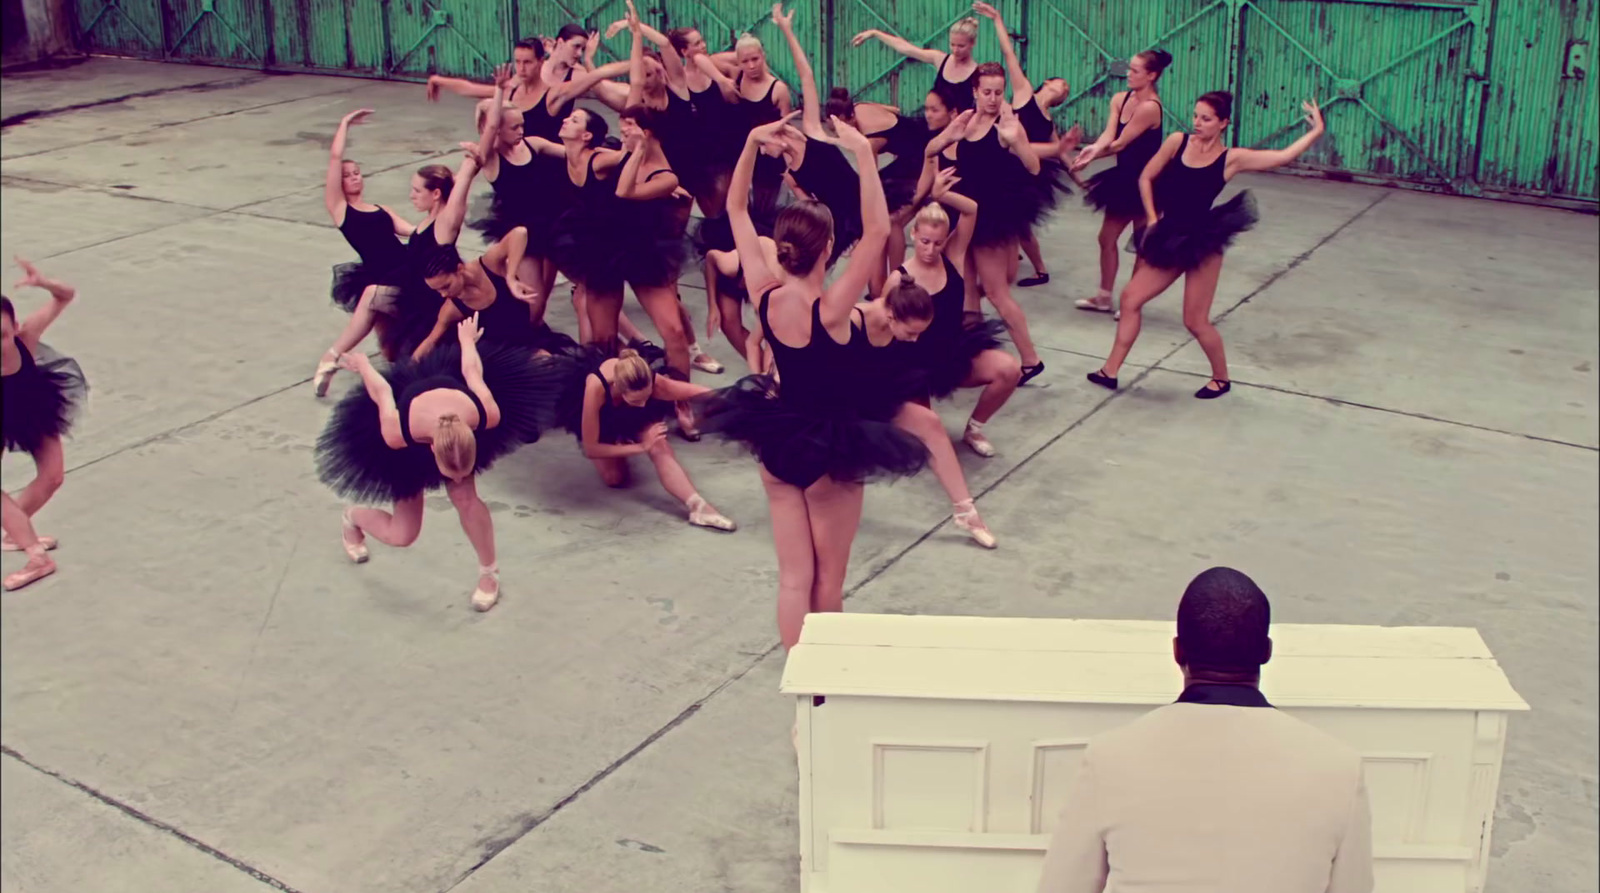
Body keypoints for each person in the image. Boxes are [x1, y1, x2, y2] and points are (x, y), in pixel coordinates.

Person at [694, 112, 930, 651]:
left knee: (793, 579)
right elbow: (876, 230)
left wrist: (752, 143)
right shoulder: (831, 308)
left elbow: (733, 208)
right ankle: (826, 696)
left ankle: (802, 696)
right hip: (832, 448)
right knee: (828, 582)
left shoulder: (765, 293)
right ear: (826, 250)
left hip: (778, 440)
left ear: (782, 248)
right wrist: (864, 156)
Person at [1035, 566, 1374, 893]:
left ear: (1177, 650)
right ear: (1266, 652)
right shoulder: (1340, 767)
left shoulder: (1109, 757)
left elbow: (1062, 886)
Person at [316, 314, 562, 612]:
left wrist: (466, 342)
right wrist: (365, 366)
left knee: (465, 497)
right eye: (450, 472)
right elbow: (382, 392)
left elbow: (472, 371)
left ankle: (489, 572)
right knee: (402, 535)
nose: (455, 478)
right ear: (431, 449)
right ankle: (352, 517)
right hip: (407, 427)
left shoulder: (485, 414)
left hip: (451, 406)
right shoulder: (398, 434)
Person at [1087, 93, 1325, 399]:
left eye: (1207, 118)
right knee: (1131, 298)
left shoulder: (1231, 159)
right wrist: (1151, 218)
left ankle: (1221, 378)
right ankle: (1110, 371)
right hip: (1169, 235)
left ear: (1223, 123)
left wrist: (1315, 131)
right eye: (1196, 116)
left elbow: (1281, 157)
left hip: (1204, 240)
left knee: (1195, 321)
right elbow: (1146, 177)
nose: (1197, 123)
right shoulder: (1177, 141)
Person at [312, 112, 468, 393]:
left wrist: (445, 194)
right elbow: (335, 160)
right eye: (346, 176)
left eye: (357, 172)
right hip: (378, 274)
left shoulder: (381, 210)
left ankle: (333, 357)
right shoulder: (341, 210)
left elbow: (415, 231)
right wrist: (344, 125)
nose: (353, 177)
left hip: (407, 270)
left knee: (393, 341)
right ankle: (332, 359)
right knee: (389, 346)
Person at [925, 69, 1047, 385]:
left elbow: (1034, 166)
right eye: (987, 92)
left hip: (992, 216)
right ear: (975, 91)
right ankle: (974, 352)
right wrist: (946, 138)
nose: (993, 99)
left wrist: (1016, 141)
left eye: (998, 92)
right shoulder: (966, 121)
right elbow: (931, 149)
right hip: (965, 211)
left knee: (996, 292)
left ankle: (1031, 359)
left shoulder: (1007, 126)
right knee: (965, 287)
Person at [890, 167, 1019, 459]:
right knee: (926, 438)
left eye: (937, 242)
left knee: (1009, 369)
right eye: (924, 241)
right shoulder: (899, 278)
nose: (930, 249)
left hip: (952, 353)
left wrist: (942, 195)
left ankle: (974, 428)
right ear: (913, 234)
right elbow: (885, 328)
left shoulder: (953, 257)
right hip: (914, 363)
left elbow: (971, 210)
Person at [553, 345, 736, 531]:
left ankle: (699, 507)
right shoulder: (596, 389)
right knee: (615, 479)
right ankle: (620, 442)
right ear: (619, 388)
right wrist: (641, 446)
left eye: (646, 398)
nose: (642, 405)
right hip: (604, 416)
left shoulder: (649, 381)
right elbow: (591, 449)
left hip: (628, 411)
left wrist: (737, 400)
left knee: (659, 445)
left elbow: (697, 392)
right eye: (636, 400)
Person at [973, 1, 1079, 288]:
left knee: (1019, 225)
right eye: (1061, 83)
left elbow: (1060, 154)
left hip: (1026, 170)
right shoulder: (1023, 92)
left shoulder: (1049, 122)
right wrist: (996, 19)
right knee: (1006, 223)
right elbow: (1008, 54)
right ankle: (1002, 264)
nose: (1064, 88)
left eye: (1066, 91)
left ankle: (1039, 269)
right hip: (1005, 162)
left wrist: (1080, 179)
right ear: (1047, 82)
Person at [1, 260, 85, 591]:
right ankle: (37, 557)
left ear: (16, 328)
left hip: (32, 407)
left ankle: (13, 533)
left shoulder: (27, 337)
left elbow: (66, 296)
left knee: (52, 478)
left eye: (2, 335)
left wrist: (44, 283)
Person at [1070, 49, 1172, 314]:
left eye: (1136, 71)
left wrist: (1093, 156)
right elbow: (1109, 134)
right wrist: (1092, 148)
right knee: (1106, 238)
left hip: (1147, 182)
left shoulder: (1150, 108)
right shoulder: (1120, 98)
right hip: (1123, 179)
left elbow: (1120, 144)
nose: (1128, 74)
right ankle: (1104, 297)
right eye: (1130, 68)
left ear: (1151, 76)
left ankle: (1131, 302)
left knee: (1141, 245)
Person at [852, 16, 981, 112]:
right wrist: (876, 33)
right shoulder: (940, 59)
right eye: (952, 44)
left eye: (961, 46)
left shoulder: (978, 73)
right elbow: (906, 48)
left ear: (973, 44)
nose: (955, 50)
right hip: (934, 125)